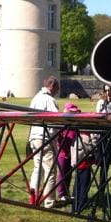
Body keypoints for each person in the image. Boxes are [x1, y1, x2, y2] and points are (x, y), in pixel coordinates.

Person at [28, 76, 60, 208]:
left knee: (37, 169)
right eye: (56, 89)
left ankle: (33, 197)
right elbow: (57, 119)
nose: (56, 92)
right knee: (50, 170)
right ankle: (49, 201)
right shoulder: (49, 100)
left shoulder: (35, 98)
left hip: (34, 137)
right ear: (51, 86)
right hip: (46, 137)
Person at [55, 103, 80, 205]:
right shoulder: (62, 122)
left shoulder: (73, 123)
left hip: (72, 151)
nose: (74, 113)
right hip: (63, 152)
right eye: (72, 112)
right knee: (62, 173)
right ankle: (61, 195)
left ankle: (66, 193)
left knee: (68, 174)